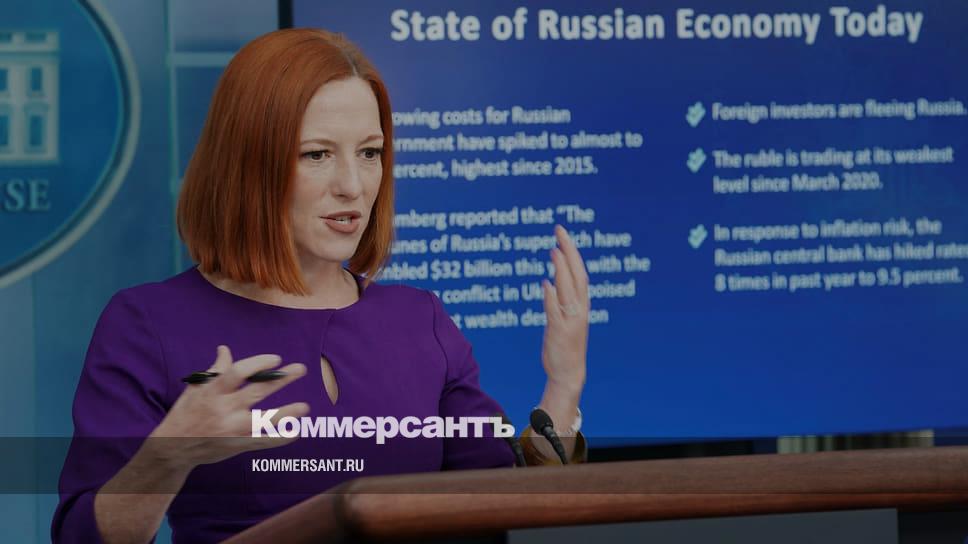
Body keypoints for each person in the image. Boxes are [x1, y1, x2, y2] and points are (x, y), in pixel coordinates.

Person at [52, 28, 589, 543]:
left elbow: (499, 503)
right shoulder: (149, 324)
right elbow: (83, 535)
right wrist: (167, 455)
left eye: (370, 153)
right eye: (317, 154)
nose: (352, 186)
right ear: (247, 163)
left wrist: (563, 388)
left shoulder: (419, 319)